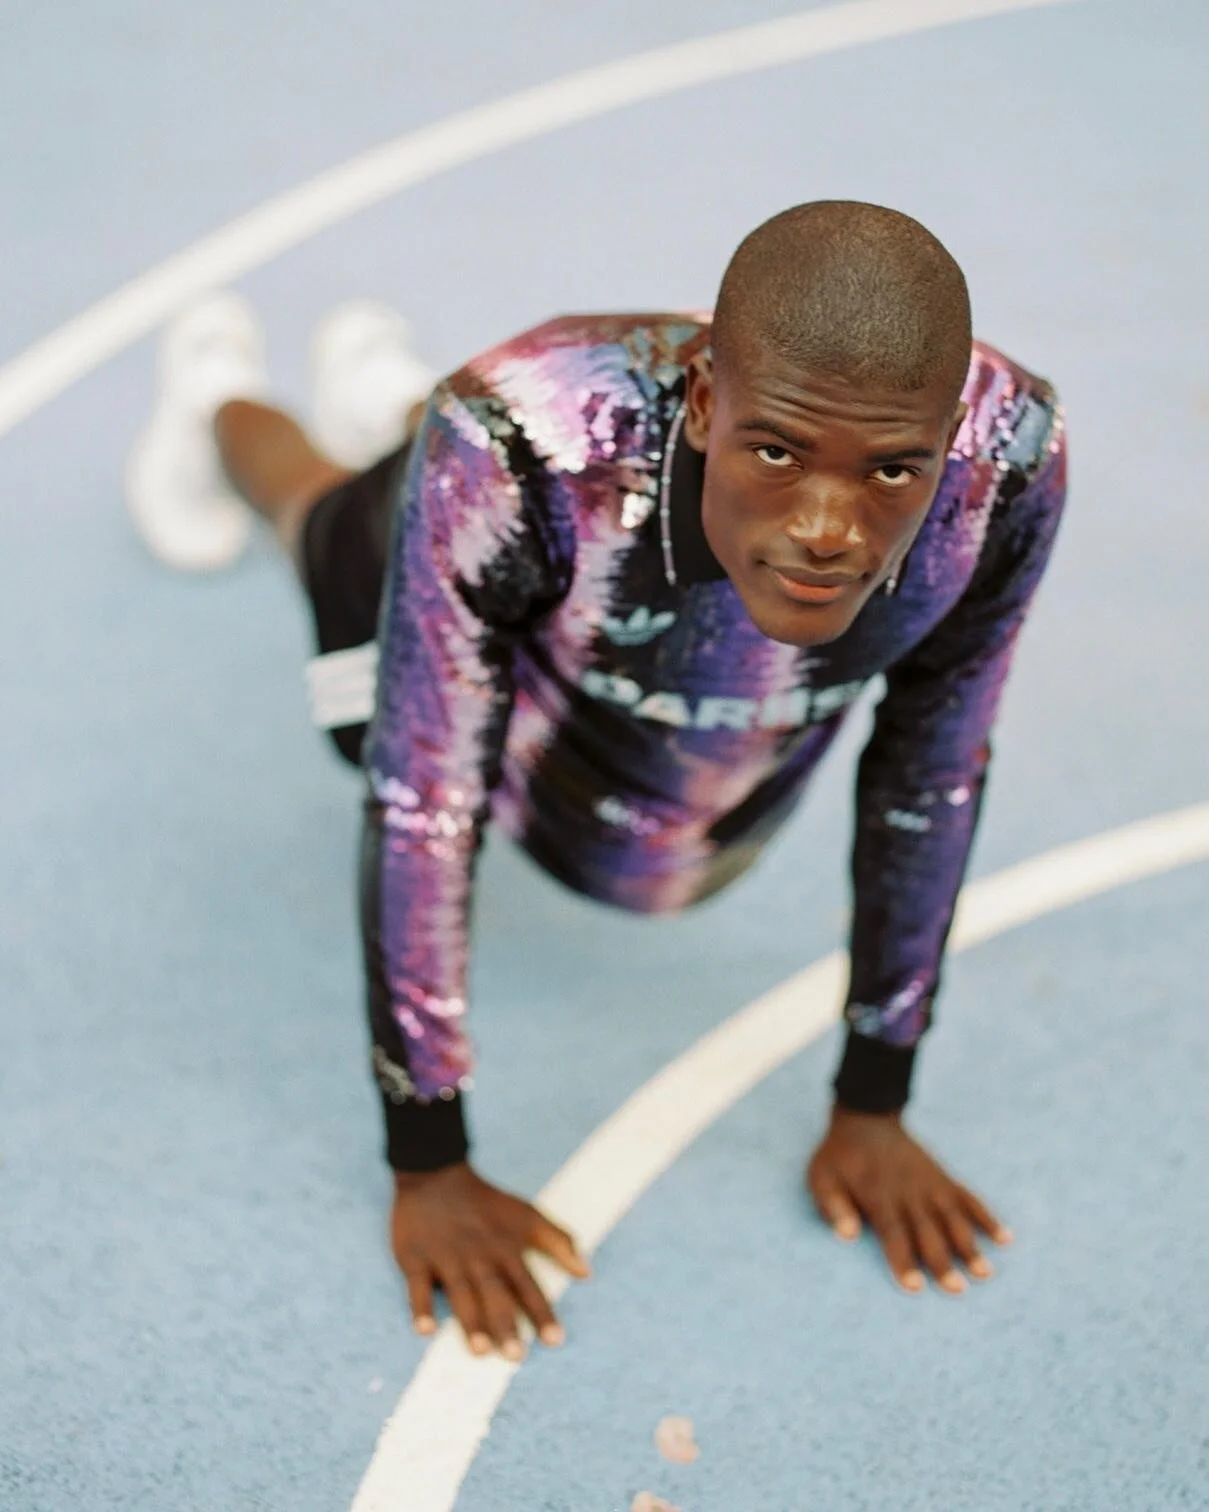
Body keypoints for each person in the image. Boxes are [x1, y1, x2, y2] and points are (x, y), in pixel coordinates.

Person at [128, 201, 1066, 1364]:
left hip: (562, 506)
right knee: (327, 544)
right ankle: (217, 394)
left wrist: (876, 1100)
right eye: (777, 451)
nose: (832, 525)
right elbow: (429, 797)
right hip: (531, 478)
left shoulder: (1007, 467)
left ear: (944, 444)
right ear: (711, 408)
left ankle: (389, 397)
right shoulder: (517, 444)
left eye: (891, 470)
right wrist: (430, 1159)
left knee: (652, 851)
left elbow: (934, 769)